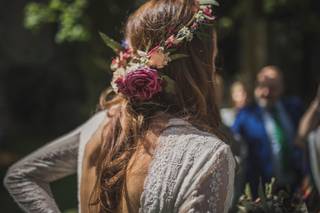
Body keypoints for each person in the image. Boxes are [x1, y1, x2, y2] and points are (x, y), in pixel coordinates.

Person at [4, 0, 235, 212]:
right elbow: (21, 176)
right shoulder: (207, 156)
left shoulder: (99, 125)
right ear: (200, 65)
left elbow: (22, 175)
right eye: (213, 59)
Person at [232, 65, 304, 197]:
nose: (266, 92)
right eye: (262, 86)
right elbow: (232, 147)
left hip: (294, 189)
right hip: (260, 193)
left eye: (272, 88)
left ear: (282, 88)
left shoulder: (294, 109)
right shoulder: (246, 115)